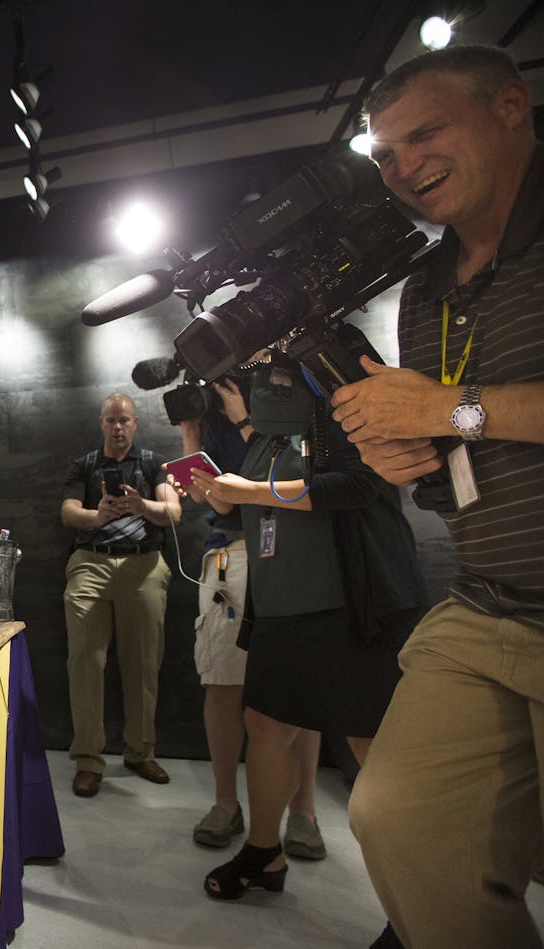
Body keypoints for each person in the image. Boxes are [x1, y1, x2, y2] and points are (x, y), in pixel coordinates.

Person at [331, 44, 544, 946]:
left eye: (425, 133)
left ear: (512, 106)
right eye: (384, 154)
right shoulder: (426, 284)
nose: (403, 167)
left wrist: (446, 409)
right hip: (485, 602)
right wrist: (411, 457)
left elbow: (461, 411)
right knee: (400, 819)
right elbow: (454, 460)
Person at [180, 360, 425, 904]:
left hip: (353, 606)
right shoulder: (264, 438)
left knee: (369, 740)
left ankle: (419, 894)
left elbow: (355, 485)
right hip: (282, 606)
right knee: (265, 724)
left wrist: (248, 493)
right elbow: (251, 504)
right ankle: (265, 851)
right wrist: (223, 495)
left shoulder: (345, 415)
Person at [177, 381, 326, 859]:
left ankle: (304, 811)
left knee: (301, 690)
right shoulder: (209, 419)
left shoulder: (292, 400)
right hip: (231, 554)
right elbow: (217, 503)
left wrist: (244, 417)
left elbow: (291, 472)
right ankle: (226, 803)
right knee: (221, 683)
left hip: (290, 549)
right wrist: (190, 434)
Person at [59, 393, 181, 797]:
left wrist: (140, 504)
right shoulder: (86, 464)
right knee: (84, 663)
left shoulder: (152, 463)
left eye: (125, 420)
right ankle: (89, 760)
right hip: (91, 562)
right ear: (101, 422)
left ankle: (140, 751)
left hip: (144, 565)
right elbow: (68, 512)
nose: (118, 427)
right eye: (111, 420)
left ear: (135, 422)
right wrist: (99, 515)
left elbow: (173, 512)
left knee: (144, 661)